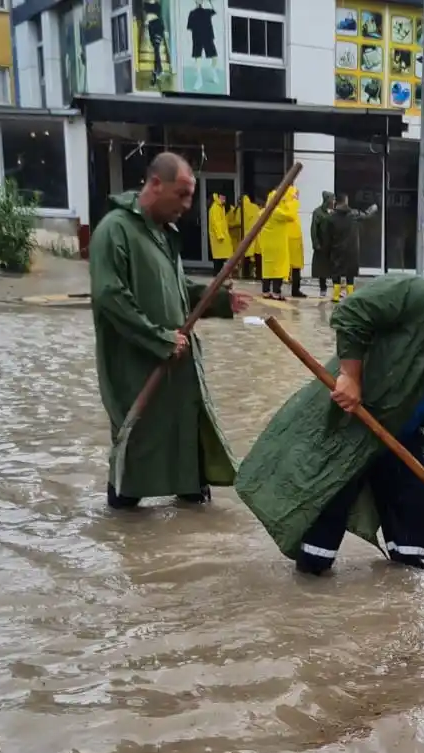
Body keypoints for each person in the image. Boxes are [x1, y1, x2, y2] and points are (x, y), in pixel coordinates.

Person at [235, 279, 424, 576]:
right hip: (352, 428)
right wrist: (350, 375)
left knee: (411, 560)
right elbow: (353, 311)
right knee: (318, 553)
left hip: (405, 440)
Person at [87, 152, 250, 510]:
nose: (188, 205)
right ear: (155, 184)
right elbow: (109, 297)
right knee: (137, 450)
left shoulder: (163, 235)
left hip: (177, 368)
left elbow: (177, 290)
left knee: (186, 448)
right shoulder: (115, 231)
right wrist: (158, 338)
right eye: (182, 194)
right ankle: (127, 543)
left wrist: (218, 300)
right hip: (138, 370)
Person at [326, 193, 378, 300]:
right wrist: (373, 209)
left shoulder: (331, 218)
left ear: (336, 202)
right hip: (352, 249)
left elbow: (327, 235)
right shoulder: (354, 214)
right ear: (346, 201)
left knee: (336, 272)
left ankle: (335, 295)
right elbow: (366, 215)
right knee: (350, 273)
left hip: (337, 248)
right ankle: (350, 295)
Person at [258, 186, 293, 298]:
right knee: (278, 268)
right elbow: (291, 216)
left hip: (266, 245)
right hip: (277, 245)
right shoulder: (277, 211)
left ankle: (265, 291)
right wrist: (291, 202)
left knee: (267, 268)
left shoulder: (262, 212)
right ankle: (276, 292)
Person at [185, 0, 217, 90]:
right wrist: (189, 41)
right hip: (197, 38)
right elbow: (189, 28)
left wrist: (210, 2)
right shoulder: (192, 13)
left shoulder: (207, 11)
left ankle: (213, 71)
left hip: (208, 37)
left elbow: (215, 11)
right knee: (198, 58)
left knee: (215, 58)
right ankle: (199, 79)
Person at [310, 191, 335, 300]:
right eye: (332, 199)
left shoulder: (334, 212)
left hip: (333, 245)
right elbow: (314, 229)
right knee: (322, 269)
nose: (333, 201)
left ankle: (337, 288)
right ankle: (323, 289)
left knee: (335, 268)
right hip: (322, 244)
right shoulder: (318, 212)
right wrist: (316, 243)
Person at [284, 186, 307, 298]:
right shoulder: (292, 205)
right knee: (295, 268)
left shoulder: (286, 207)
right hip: (293, 241)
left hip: (290, 240)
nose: (297, 196)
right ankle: (295, 290)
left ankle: (279, 290)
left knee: (288, 267)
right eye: (296, 193)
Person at [143, 0, 171, 87]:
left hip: (158, 25)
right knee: (156, 49)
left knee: (156, 48)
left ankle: (158, 70)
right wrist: (145, 23)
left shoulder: (158, 5)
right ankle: (157, 70)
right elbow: (145, 16)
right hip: (151, 27)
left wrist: (165, 30)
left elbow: (161, 17)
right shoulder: (145, 4)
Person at [207, 192, 232, 271]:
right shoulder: (216, 208)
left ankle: (219, 275)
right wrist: (220, 235)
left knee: (220, 258)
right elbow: (216, 223)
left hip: (221, 238)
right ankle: (217, 275)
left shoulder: (220, 207)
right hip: (219, 238)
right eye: (222, 197)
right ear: (218, 197)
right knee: (218, 259)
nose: (224, 199)